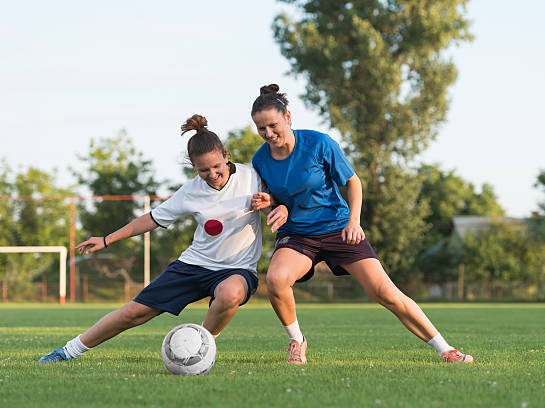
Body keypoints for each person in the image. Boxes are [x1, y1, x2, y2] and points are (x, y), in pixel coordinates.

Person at [250, 84, 474, 365]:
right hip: (298, 235)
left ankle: (446, 349)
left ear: (288, 117)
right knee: (276, 280)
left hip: (338, 228)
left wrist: (354, 221)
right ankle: (297, 341)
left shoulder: (320, 144)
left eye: (273, 125)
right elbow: (276, 195)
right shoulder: (260, 159)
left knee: (385, 293)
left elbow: (353, 182)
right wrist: (273, 202)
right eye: (261, 129)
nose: (268, 134)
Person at [39, 114, 288, 363]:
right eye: (203, 170)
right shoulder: (190, 192)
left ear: (225, 155)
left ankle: (199, 349)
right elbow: (151, 219)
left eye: (216, 167)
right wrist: (107, 239)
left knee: (230, 294)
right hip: (194, 265)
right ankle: (67, 351)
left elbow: (282, 200)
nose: (212, 174)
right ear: (194, 168)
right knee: (133, 313)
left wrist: (276, 204)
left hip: (237, 269)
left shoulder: (252, 177)